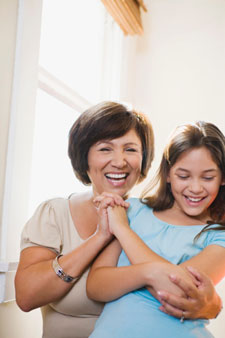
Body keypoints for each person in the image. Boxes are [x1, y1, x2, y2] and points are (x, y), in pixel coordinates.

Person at [15, 102, 221, 338]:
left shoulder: (137, 214)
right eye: (105, 149)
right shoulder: (55, 213)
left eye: (130, 150)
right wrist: (101, 236)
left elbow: (183, 289)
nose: (120, 161)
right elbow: (27, 296)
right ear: (85, 156)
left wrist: (212, 305)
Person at [87, 121, 225, 338]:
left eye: (208, 177)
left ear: (223, 178)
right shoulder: (133, 210)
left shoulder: (219, 234)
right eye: (183, 176)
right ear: (168, 174)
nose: (196, 188)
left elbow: (179, 292)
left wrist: (123, 230)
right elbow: (96, 286)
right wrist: (150, 273)